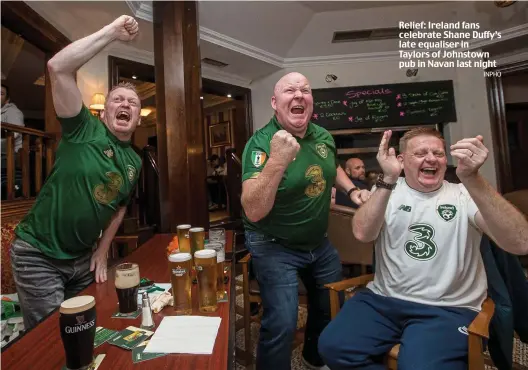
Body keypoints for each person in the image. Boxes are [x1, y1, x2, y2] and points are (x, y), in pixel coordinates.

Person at [318, 127, 528, 370]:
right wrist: (387, 178)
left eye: (438, 153)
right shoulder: (387, 190)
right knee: (333, 348)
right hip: (383, 300)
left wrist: (473, 178)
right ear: (401, 160)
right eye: (420, 153)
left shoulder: (464, 194)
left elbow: (521, 243)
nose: (431, 158)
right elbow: (363, 233)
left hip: (448, 308)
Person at [10, 15, 143, 331]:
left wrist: (102, 248)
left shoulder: (134, 162)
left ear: (138, 118)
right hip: (38, 255)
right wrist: (111, 32)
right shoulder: (83, 128)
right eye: (118, 100)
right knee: (53, 339)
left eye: (133, 103)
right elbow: (58, 67)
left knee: (91, 328)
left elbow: (119, 205)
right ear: (105, 110)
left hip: (82, 259)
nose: (125, 104)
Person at [241, 72, 370, 370]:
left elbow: (331, 163)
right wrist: (278, 160)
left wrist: (351, 189)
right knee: (283, 322)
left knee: (328, 305)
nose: (299, 95)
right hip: (273, 242)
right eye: (290, 90)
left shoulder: (322, 135)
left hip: (317, 242)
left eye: (305, 90)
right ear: (275, 102)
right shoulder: (260, 144)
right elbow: (254, 210)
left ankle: (314, 359)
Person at [1, 84, 25, 154]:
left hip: (9, 155)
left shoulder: (14, 112)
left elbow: (14, 134)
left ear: (7, 100)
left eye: (1, 93)